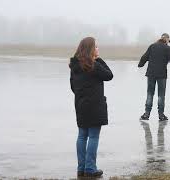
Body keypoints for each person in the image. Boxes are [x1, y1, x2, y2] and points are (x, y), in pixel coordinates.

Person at [69, 37, 113, 178]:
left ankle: (81, 168)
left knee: (82, 136)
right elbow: (109, 75)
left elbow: (73, 87)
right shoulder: (93, 64)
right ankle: (90, 169)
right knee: (93, 136)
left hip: (80, 105)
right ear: (90, 50)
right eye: (96, 47)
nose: (97, 49)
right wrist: (98, 59)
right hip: (95, 105)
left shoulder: (75, 66)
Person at [138, 33, 170, 121]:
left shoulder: (152, 46)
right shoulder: (168, 49)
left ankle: (146, 114)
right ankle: (161, 115)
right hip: (162, 75)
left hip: (151, 74)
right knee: (161, 95)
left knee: (150, 94)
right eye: (168, 41)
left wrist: (140, 64)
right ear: (167, 40)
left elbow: (145, 56)